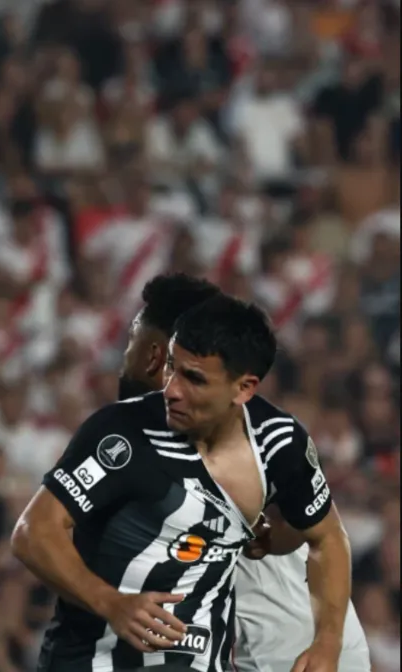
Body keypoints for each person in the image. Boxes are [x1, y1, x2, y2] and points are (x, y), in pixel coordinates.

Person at [12, 293, 353, 671]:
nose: (171, 389)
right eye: (172, 367)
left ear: (243, 388)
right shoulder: (121, 433)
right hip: (91, 660)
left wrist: (328, 641)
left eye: (194, 379)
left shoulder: (279, 444)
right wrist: (109, 601)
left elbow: (327, 538)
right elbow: (33, 530)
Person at [115, 273, 371, 670]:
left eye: (135, 333)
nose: (128, 349)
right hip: (231, 647)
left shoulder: (263, 436)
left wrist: (328, 643)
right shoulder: (138, 426)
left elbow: (322, 535)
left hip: (294, 648)